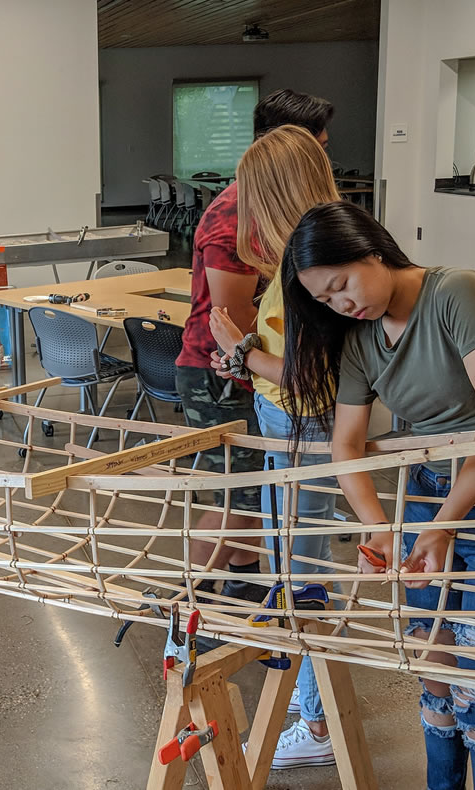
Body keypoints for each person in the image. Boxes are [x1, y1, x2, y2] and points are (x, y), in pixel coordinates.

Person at [278, 200, 475, 790]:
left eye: (343, 284)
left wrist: (444, 524)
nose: (343, 304)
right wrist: (379, 526)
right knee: (434, 684)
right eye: (326, 300)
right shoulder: (359, 339)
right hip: (429, 497)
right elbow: (346, 444)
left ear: (372, 250)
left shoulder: (456, 292)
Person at [203, 126, 342, 769]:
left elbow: (307, 377)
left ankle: (313, 723)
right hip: (297, 427)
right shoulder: (318, 250)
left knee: (299, 577)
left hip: (301, 427)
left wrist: (239, 349)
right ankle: (306, 708)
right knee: (292, 565)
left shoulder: (306, 268)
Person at [173, 88, 335, 600]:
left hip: (251, 366)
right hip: (221, 372)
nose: (326, 157)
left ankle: (243, 595)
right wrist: (256, 366)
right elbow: (232, 320)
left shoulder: (276, 208)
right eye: (319, 147)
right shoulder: (235, 216)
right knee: (236, 501)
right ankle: (182, 607)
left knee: (248, 495)